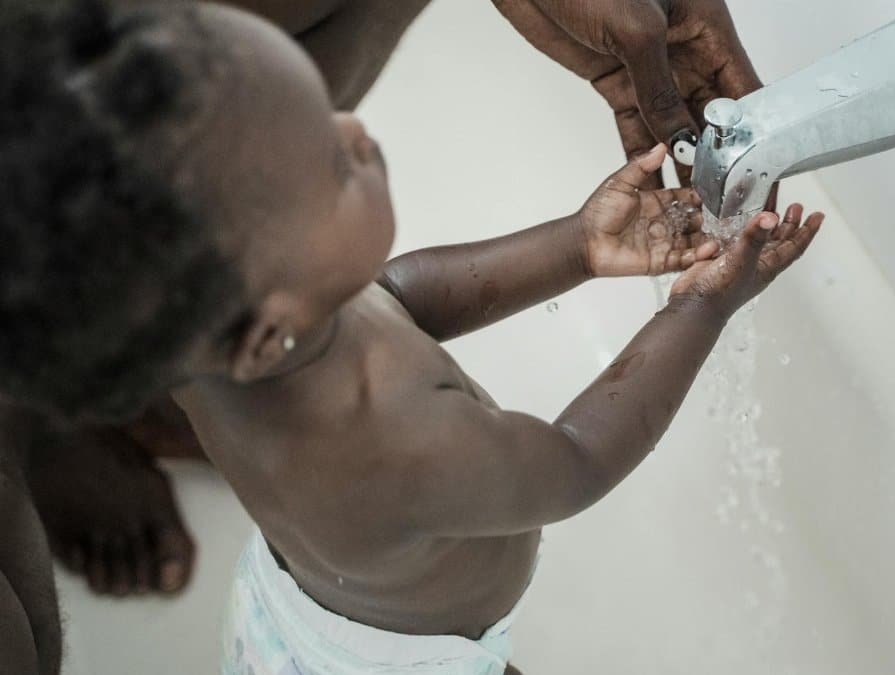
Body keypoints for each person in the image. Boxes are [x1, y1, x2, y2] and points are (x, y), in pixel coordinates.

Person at [0, 2, 823, 673]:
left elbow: (396, 296)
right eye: (330, 162)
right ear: (264, 330)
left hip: (293, 610)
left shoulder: (212, 344)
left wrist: (578, 244)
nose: (358, 134)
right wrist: (700, 309)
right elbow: (575, 460)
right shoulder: (396, 437)